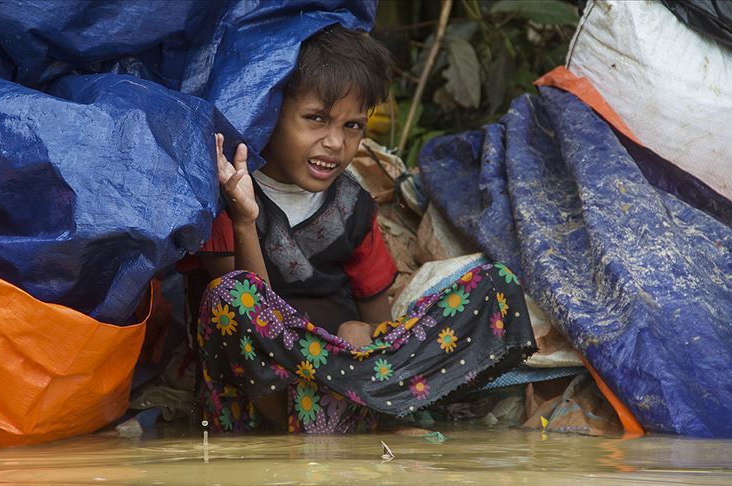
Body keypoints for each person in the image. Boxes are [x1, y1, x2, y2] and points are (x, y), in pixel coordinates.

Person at [193, 25, 535, 433]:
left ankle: (359, 410)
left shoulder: (353, 205)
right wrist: (245, 221)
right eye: (316, 119)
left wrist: (365, 341)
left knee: (496, 284)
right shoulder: (227, 193)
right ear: (271, 111)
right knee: (232, 293)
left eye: (352, 126)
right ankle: (365, 418)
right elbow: (252, 312)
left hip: (354, 377)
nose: (335, 142)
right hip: (267, 395)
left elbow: (382, 326)